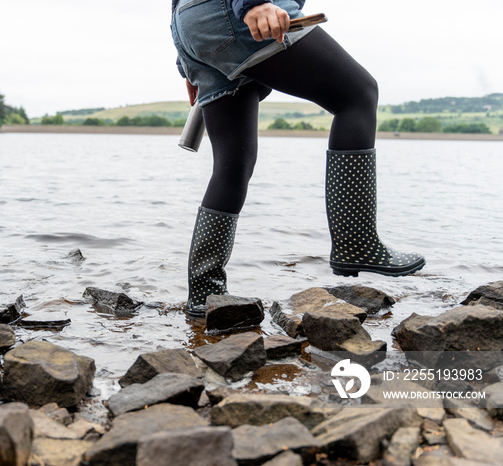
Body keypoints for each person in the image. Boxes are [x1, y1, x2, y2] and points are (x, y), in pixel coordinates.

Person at [170, 0, 425, 317]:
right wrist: (253, 4)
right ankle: (356, 245)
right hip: (233, 15)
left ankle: (205, 294)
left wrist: (187, 56)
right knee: (358, 95)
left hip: (195, 26)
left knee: (233, 165)